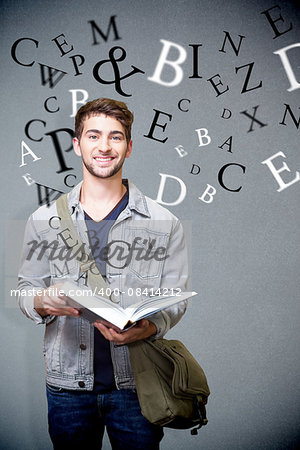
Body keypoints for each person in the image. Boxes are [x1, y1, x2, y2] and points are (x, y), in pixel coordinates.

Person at [17, 98, 189, 449]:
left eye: (116, 137)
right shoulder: (41, 219)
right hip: (67, 387)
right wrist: (41, 300)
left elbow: (176, 298)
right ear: (78, 144)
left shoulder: (165, 221)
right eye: (94, 136)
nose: (105, 146)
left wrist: (150, 326)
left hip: (137, 384)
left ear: (129, 147)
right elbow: (23, 290)